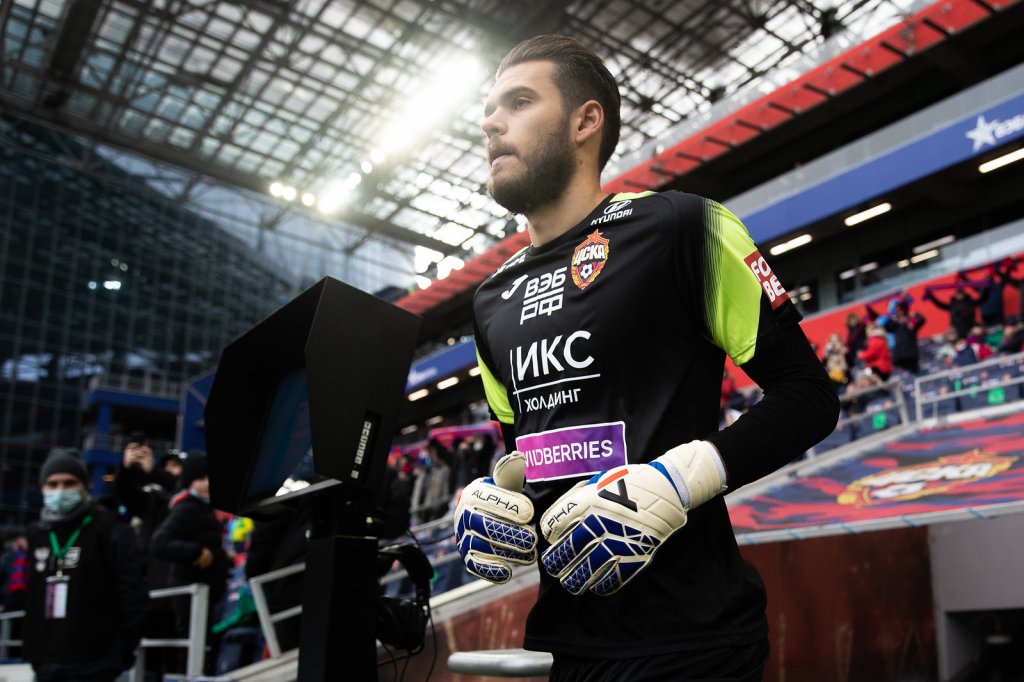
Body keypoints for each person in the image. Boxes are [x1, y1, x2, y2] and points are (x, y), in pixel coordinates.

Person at [455, 35, 839, 681]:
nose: (491, 123)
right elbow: (526, 452)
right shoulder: (491, 298)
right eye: (489, 110)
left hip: (694, 641)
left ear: (585, 121)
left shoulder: (683, 226)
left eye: (518, 103)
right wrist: (494, 497)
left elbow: (808, 396)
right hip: (564, 645)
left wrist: (676, 481)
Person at [23, 449, 146, 682]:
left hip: (95, 662)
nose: (60, 490)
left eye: (69, 483)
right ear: (42, 488)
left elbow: (132, 593)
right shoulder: (38, 533)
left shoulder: (110, 527)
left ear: (84, 485)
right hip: (46, 661)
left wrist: (121, 649)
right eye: (52, 484)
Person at [151, 452, 230, 674]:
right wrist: (195, 552)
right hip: (192, 592)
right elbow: (160, 543)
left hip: (204, 591)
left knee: (200, 649)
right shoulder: (187, 508)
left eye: (211, 478)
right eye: (200, 478)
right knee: (192, 652)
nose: (207, 484)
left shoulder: (205, 508)